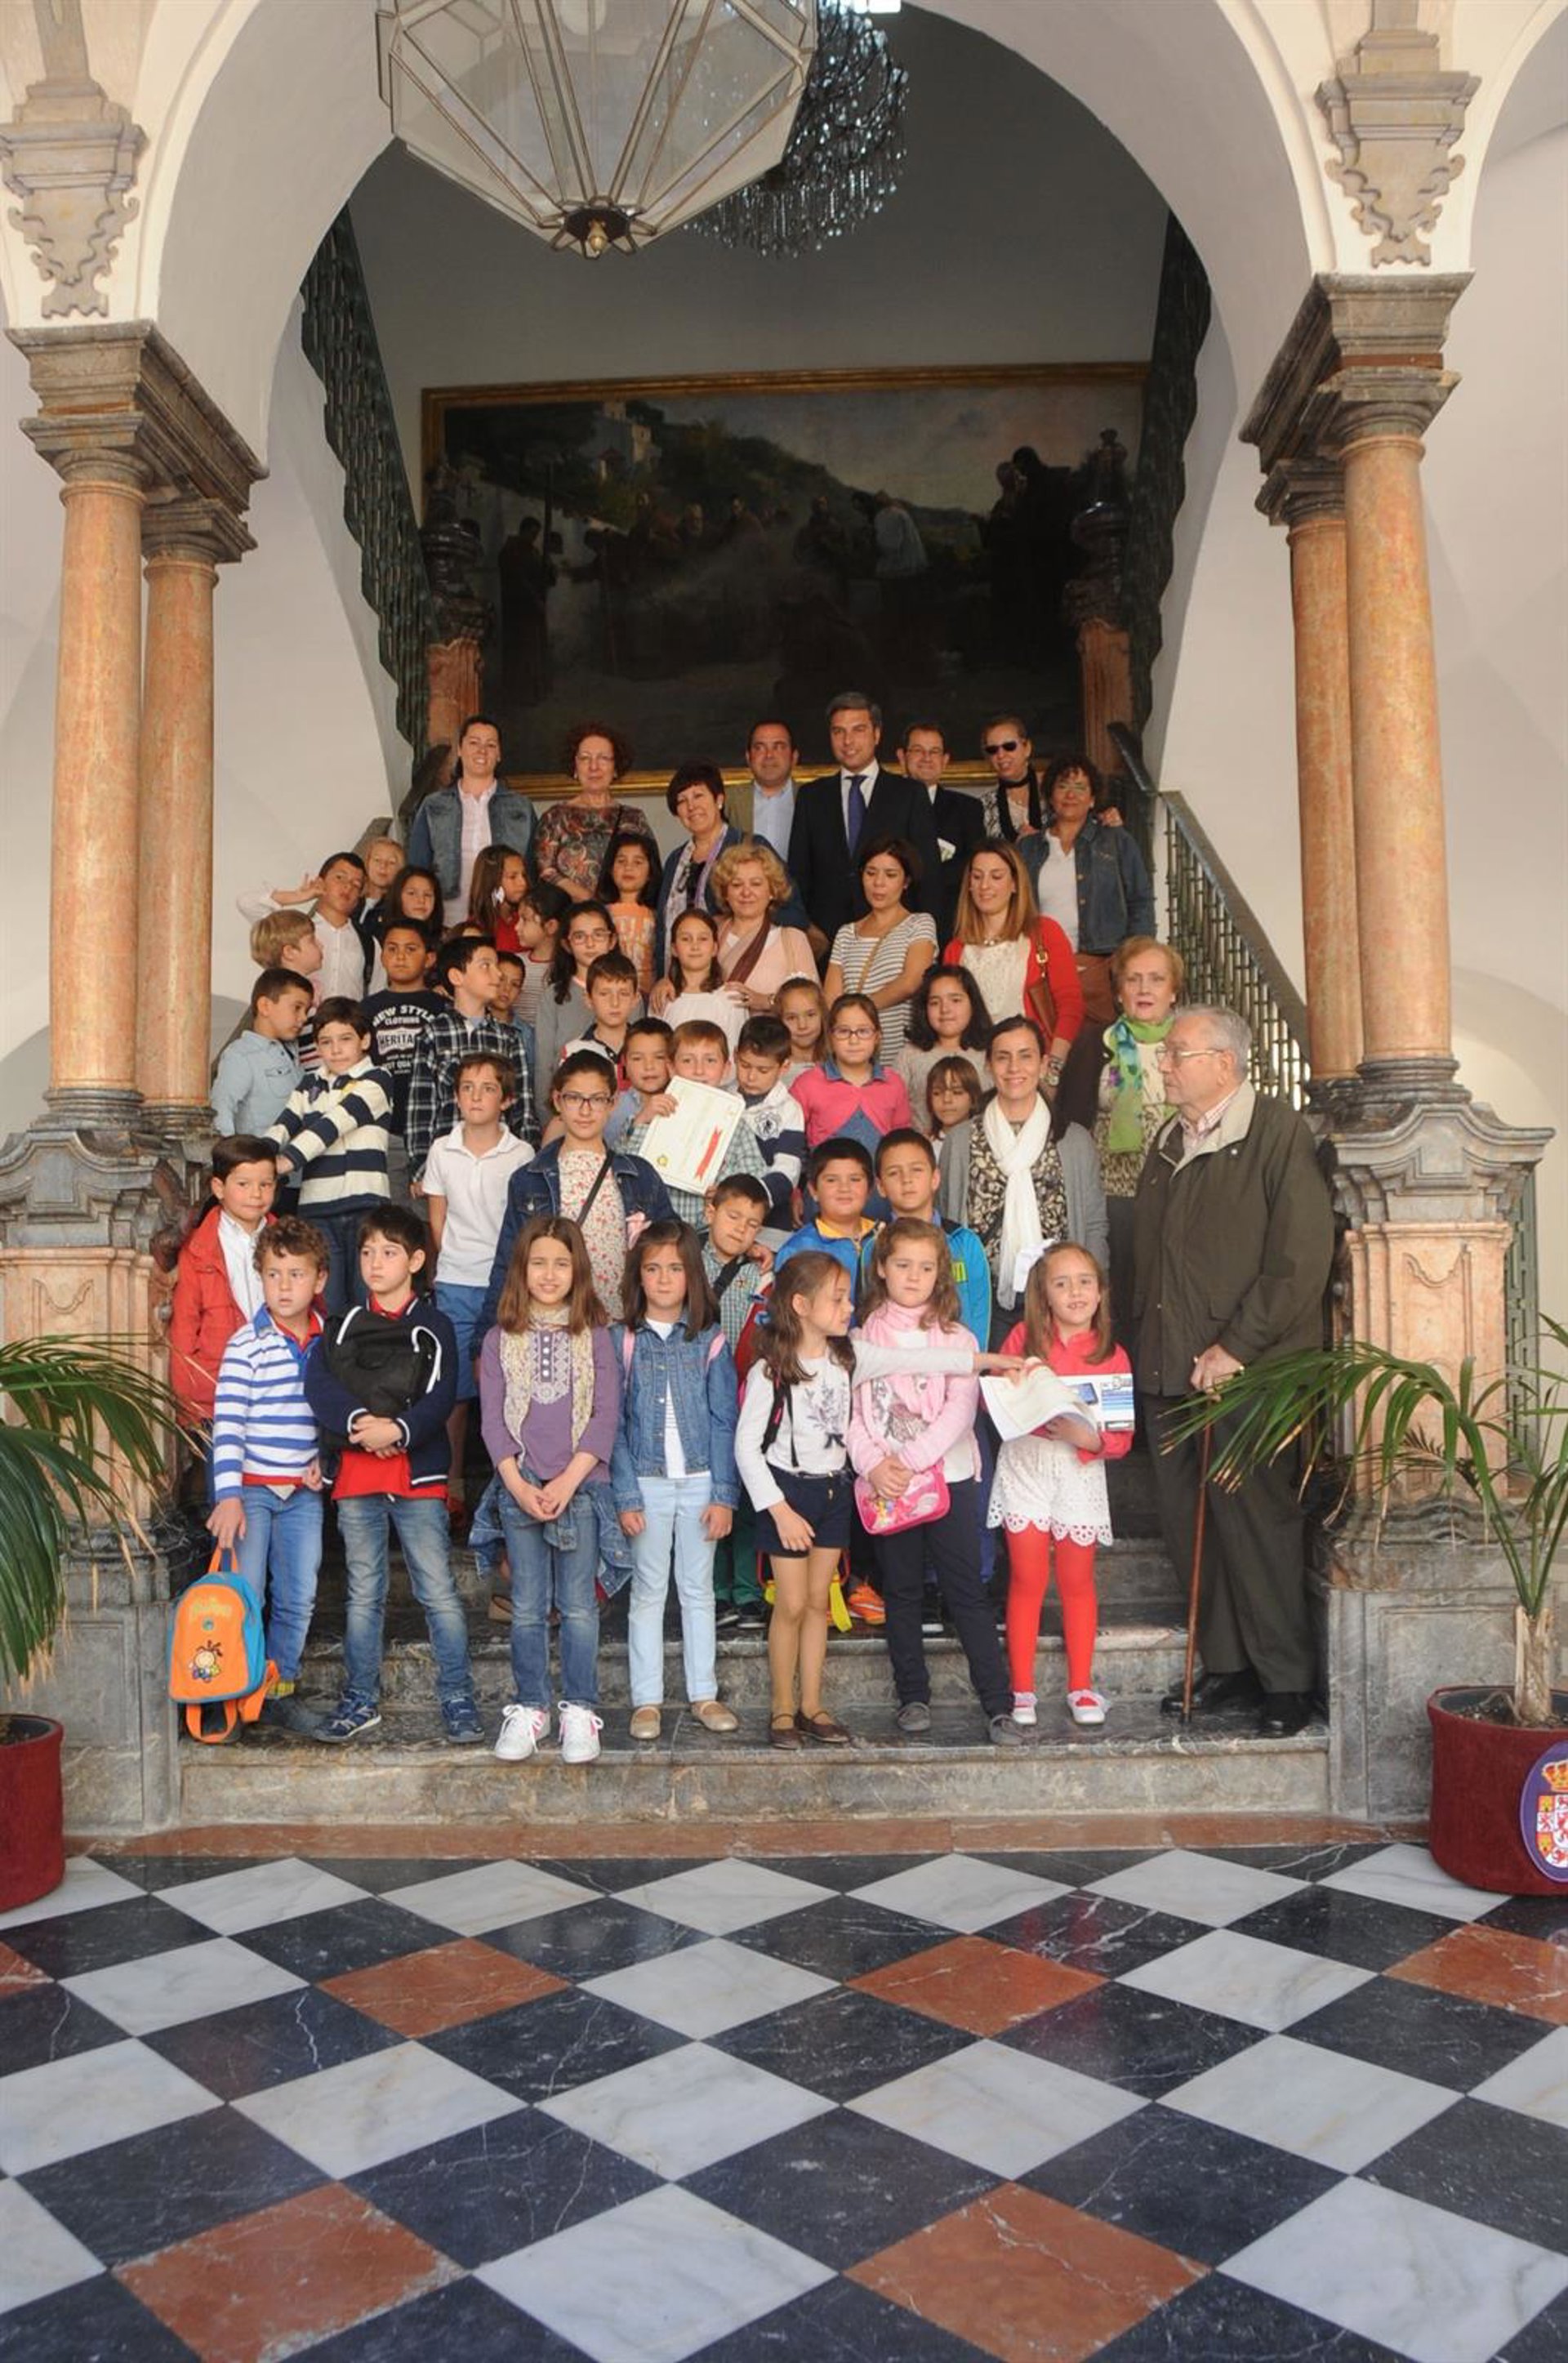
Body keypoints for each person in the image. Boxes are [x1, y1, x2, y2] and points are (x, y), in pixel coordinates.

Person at [1132, 1005, 1334, 1738]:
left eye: (1176, 1053)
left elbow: (1299, 1259)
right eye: (1165, 1054)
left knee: (1257, 1523)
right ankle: (1229, 1666)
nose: (1164, 1065)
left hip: (1249, 1373)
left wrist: (1237, 1347)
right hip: (1171, 1367)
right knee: (1191, 1528)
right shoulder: (1168, 1139)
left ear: (1224, 1062)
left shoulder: (1276, 1132)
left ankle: (1286, 1678)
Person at [736, 1251, 1019, 1751]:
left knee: (819, 1604)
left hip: (833, 1493)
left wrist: (987, 1361)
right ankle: (782, 1708)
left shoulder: (850, 1356)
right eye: (837, 1299)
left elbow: (922, 1360)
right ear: (801, 1305)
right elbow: (745, 1448)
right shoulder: (771, 1370)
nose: (849, 1307)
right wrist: (778, 1510)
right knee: (792, 1604)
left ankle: (812, 1706)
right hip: (788, 1495)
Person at [304, 1206, 480, 1745]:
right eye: (366, 1252)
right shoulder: (343, 1323)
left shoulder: (434, 1325)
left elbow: (440, 1396)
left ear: (417, 1260)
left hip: (417, 1477)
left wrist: (398, 1430)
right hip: (357, 1476)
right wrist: (361, 1425)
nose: (374, 1263)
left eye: (388, 1252)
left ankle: (458, 1695)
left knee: (438, 1590)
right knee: (363, 1592)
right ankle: (360, 1699)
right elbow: (320, 1385)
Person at [850, 1219, 1025, 1745]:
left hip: (949, 1480)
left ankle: (998, 1703)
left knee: (966, 1591)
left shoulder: (958, 1338)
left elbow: (959, 1410)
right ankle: (912, 1696)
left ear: (941, 1274)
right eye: (902, 1265)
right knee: (902, 1591)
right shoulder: (861, 1338)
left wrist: (912, 1459)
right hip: (889, 1487)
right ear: (882, 1268)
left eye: (926, 1267)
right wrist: (875, 1465)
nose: (914, 1276)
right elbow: (850, 1415)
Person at [480, 1215, 621, 1768]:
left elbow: (604, 1417)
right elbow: (493, 1422)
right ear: (521, 1269)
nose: (548, 1273)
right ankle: (531, 1707)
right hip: (520, 1487)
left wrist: (567, 1480)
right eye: (538, 1262)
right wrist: (517, 1484)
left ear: (577, 1271)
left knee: (580, 1607)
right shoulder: (499, 1339)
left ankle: (580, 1710)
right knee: (527, 1608)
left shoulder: (596, 1337)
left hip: (579, 1489)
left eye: (561, 1263)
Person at [989, 1243, 1134, 1729]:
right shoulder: (1023, 1339)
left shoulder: (1112, 1354)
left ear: (1101, 1292)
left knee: (1076, 1580)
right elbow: (996, 1402)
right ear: (1043, 1295)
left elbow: (1121, 1438)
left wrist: (1087, 1437)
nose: (1075, 1292)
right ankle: (1022, 1689)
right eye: (1061, 1283)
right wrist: (1015, 1389)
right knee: (1028, 1578)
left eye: (1085, 1281)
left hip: (1079, 1470)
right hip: (1027, 1466)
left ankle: (1081, 1686)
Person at [612, 1221, 742, 1742]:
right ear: (638, 1276)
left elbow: (724, 1419)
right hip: (646, 1485)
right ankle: (646, 1701)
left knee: (697, 1590)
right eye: (652, 1269)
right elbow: (613, 1425)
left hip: (700, 1481)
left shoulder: (709, 1340)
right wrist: (626, 1494)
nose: (664, 1279)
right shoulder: (622, 1340)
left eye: (675, 1268)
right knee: (647, 1592)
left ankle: (703, 1693)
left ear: (693, 1275)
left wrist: (723, 1494)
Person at [206, 1215, 331, 1732]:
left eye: (296, 1274)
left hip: (302, 1495)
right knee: (245, 1595)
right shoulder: (245, 1344)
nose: (284, 1286)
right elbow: (228, 1425)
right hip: (252, 1494)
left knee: (298, 1596)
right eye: (273, 1274)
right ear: (259, 1277)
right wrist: (228, 1496)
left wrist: (327, 1461)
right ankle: (232, 1695)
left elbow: (333, 1415)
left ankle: (277, 1692)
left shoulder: (329, 1343)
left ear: (319, 1280)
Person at [480, 1048, 674, 1333]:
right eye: (574, 1098)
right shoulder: (529, 1180)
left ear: (613, 1103)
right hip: (555, 1329)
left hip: (625, 1328)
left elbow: (672, 1250)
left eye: (597, 1099)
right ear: (558, 1101)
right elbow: (508, 1264)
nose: (585, 1110)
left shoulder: (640, 1175)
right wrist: (486, 1338)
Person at [938, 1014, 1108, 1335]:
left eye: (1025, 1056)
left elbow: (1094, 1225)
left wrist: (1090, 1292)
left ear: (1043, 1065)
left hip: (1059, 1298)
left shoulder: (1074, 1140)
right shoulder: (960, 1141)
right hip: (981, 1297)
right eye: (1003, 1057)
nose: (1014, 1068)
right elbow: (947, 1221)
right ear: (989, 1066)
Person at [424, 1050, 535, 1520]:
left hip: (505, 1281)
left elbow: (523, 1224)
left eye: (488, 1089)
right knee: (455, 1389)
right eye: (467, 1088)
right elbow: (437, 1217)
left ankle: (508, 1487)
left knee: (507, 1387)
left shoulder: (521, 1154)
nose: (476, 1097)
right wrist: (448, 1262)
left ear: (506, 1100)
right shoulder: (441, 1149)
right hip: (455, 1278)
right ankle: (451, 1486)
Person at [1054, 936, 1182, 1339]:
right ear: (1118, 990)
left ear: (1173, 991)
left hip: (1179, 1193)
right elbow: (1069, 1124)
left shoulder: (1190, 1045)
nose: (1144, 989)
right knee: (1118, 1303)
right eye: (1133, 979)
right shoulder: (1096, 1044)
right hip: (1114, 1199)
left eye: (1156, 979)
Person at [266, 998, 394, 1315]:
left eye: (345, 1039)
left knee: (367, 1302)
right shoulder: (309, 1083)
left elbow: (333, 1125)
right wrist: (259, 1159)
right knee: (327, 1305)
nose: (336, 1050)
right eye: (326, 1042)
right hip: (317, 1209)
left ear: (365, 1040)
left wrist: (283, 1163)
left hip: (366, 1206)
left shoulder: (378, 1079)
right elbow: (283, 1124)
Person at [787, 691, 940, 945]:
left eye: (858, 730)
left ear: (877, 734)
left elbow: (927, 874)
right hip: (826, 940)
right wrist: (806, 932)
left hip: (896, 938)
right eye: (838, 732)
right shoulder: (812, 797)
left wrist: (928, 941)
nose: (848, 741)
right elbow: (799, 875)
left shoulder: (909, 794)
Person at [1025, 756, 1154, 1023]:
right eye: (1062, 786)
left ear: (1093, 799)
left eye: (1080, 787)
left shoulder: (1116, 841)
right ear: (1050, 796)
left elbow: (1140, 902)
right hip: (1044, 967)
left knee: (1100, 1042)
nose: (1071, 795)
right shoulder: (1028, 848)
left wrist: (1136, 960)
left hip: (1102, 967)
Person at [943, 842, 1083, 1086]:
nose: (985, 886)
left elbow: (1070, 1004)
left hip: (1033, 1072)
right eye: (977, 877)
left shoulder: (1045, 932)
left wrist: (1053, 1069)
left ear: (1015, 884)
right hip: (974, 1075)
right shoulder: (956, 949)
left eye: (996, 876)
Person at [403, 936, 537, 1188]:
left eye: (496, 966)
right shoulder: (433, 1034)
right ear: (457, 977)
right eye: (486, 965)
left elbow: (523, 1106)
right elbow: (421, 1106)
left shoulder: (509, 1038)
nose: (498, 974)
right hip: (446, 1164)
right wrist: (421, 1167)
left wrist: (528, 1162)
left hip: (500, 1164)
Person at [168, 1135, 280, 1435]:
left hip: (280, 1389)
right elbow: (184, 1328)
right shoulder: (197, 1248)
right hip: (218, 1393)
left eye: (266, 1184)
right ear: (218, 1188)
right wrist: (189, 1402)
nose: (256, 1194)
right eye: (243, 1184)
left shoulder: (290, 1241)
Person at [701, 1173, 771, 1632]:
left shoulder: (759, 1273)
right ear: (710, 1211)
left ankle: (747, 1591)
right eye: (733, 1217)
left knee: (745, 1495)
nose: (740, 1230)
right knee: (709, 1494)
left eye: (752, 1224)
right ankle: (713, 1591)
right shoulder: (686, 1261)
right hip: (698, 1395)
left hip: (744, 1394)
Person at [621, 1018, 769, 1228]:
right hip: (656, 1230)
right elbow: (624, 1167)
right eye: (688, 1061)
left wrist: (727, 1192)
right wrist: (642, 1121)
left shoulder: (736, 1124)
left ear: (726, 1068)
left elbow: (754, 1176)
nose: (699, 1070)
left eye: (710, 1061)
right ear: (671, 1068)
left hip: (709, 1232)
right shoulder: (652, 1114)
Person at [407, 713, 537, 927]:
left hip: (505, 920)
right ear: (459, 749)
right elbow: (417, 866)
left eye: (491, 745)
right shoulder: (434, 805)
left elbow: (531, 868)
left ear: (499, 754)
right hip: (447, 919)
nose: (482, 751)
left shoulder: (520, 807)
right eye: (474, 743)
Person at [865, 1130, 991, 1349]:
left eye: (917, 1170)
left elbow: (980, 1316)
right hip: (893, 1363)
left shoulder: (964, 1242)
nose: (907, 1180)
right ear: (881, 1186)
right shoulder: (873, 1246)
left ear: (935, 1178)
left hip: (956, 1362)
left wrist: (973, 1363)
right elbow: (867, 1313)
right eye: (894, 1173)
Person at [823, 837, 938, 1062]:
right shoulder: (846, 933)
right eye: (871, 873)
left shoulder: (920, 923)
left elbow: (911, 982)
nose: (878, 882)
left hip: (900, 1053)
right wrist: (852, 1023)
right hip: (851, 1055)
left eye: (891, 875)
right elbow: (831, 998)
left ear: (906, 881)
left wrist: (857, 1012)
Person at [363, 921, 443, 1202]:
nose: (400, 956)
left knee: (431, 1215)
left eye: (411, 949)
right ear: (382, 956)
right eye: (392, 949)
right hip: (386, 1130)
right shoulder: (366, 1009)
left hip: (432, 1130)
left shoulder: (443, 1007)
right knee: (391, 1215)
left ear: (429, 958)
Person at [532, 722, 654, 904]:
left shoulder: (634, 818)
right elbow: (544, 872)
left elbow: (651, 874)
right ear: (575, 767)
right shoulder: (555, 817)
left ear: (615, 767)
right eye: (585, 758)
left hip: (623, 916)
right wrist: (590, 902)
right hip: (570, 916)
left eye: (603, 758)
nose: (594, 766)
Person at [791, 993, 913, 1161]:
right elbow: (788, 1140)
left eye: (863, 1031)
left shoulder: (893, 1083)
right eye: (843, 1031)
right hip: (825, 1177)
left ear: (877, 1037)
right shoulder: (807, 1084)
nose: (853, 1040)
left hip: (878, 1177)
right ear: (830, 1037)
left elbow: (902, 1141)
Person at [898, 718, 987, 945]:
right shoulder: (883, 806)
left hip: (950, 928)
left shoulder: (968, 809)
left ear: (945, 760)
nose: (926, 758)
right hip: (894, 927)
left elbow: (973, 865)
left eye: (934, 752)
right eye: (918, 750)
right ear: (902, 757)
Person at [653, 763, 745, 975]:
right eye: (682, 801)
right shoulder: (675, 860)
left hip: (732, 973)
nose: (691, 806)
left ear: (719, 800)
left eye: (698, 796)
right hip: (679, 979)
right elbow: (662, 929)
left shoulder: (745, 847)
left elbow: (785, 909)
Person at [238, 849, 368, 1001]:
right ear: (320, 881)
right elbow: (246, 903)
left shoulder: (368, 943)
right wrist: (298, 896)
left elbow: (375, 998)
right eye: (340, 878)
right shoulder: (294, 930)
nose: (348, 887)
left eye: (356, 884)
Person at [710, 842, 816, 1014]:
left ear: (772, 891)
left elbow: (813, 1004)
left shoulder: (793, 940)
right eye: (736, 885)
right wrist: (667, 984)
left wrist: (766, 1001)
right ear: (725, 893)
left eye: (756, 884)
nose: (746, 893)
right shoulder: (710, 933)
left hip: (771, 1031)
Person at [212, 967, 314, 1135]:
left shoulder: (293, 1053)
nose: (304, 1018)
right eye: (297, 1008)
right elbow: (221, 1109)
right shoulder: (240, 1055)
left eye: (306, 1011)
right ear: (265, 1006)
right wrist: (230, 1150)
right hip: (262, 1150)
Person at [733, 1015, 807, 1231]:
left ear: (784, 1067)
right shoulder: (722, 1098)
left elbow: (788, 1168)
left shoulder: (789, 1110)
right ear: (735, 1055)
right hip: (721, 1208)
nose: (751, 1077)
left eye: (763, 1070)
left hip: (770, 1215)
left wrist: (755, 1199)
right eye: (745, 1065)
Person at [534, 901, 619, 1085]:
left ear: (612, 941)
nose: (590, 943)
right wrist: (545, 1104)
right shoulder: (553, 996)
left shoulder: (628, 993)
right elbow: (544, 1064)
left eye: (598, 934)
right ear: (567, 944)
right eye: (580, 936)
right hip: (565, 1098)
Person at [897, 963, 992, 1122]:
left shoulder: (990, 1053)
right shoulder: (909, 1055)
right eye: (935, 1002)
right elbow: (893, 1109)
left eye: (955, 1000)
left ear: (973, 1003)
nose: (945, 1010)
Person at [774, 1137, 877, 1285]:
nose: (844, 1188)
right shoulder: (797, 1250)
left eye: (855, 1179)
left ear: (870, 1189)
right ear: (813, 1190)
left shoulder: (884, 1238)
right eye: (831, 1180)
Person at [660, 907, 746, 1054]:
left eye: (703, 939)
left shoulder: (731, 998)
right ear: (674, 949)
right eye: (686, 939)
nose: (695, 946)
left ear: (715, 948)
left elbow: (735, 1054)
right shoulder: (663, 997)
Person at [597, 828, 660, 995]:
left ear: (650, 873)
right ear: (610, 869)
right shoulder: (599, 914)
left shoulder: (659, 915)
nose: (628, 868)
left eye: (638, 862)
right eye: (621, 861)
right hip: (610, 995)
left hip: (648, 996)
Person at [562, 949, 640, 1078]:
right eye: (604, 994)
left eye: (624, 994)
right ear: (589, 999)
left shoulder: (647, 1048)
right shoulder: (574, 1051)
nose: (615, 1003)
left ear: (635, 999)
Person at [605, 1016, 673, 1148]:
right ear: (625, 1062)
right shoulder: (614, 1108)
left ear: (673, 1060)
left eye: (659, 1057)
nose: (649, 1066)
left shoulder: (685, 1102)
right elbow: (611, 1156)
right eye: (637, 1059)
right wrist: (640, 1120)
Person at [978, 713, 1045, 844]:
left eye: (1009, 746)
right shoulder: (983, 806)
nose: (1001, 755)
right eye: (993, 750)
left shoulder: (1054, 794)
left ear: (1027, 748)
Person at [513, 881, 569, 1032]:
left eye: (525, 920)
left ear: (551, 926)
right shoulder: (515, 962)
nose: (517, 927)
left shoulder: (569, 968)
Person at [466, 841, 530, 954]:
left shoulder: (529, 918)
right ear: (492, 881)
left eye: (524, 875)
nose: (523, 883)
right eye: (513, 877)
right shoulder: (476, 928)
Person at [777, 977, 829, 1087]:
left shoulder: (837, 1064)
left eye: (810, 1015)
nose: (802, 1026)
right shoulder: (774, 1071)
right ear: (780, 1020)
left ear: (822, 1015)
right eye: (792, 1018)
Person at [926, 1054, 984, 1146]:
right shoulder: (924, 1145)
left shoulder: (986, 1142)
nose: (946, 1099)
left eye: (957, 1092)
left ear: (973, 1098)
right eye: (937, 1093)